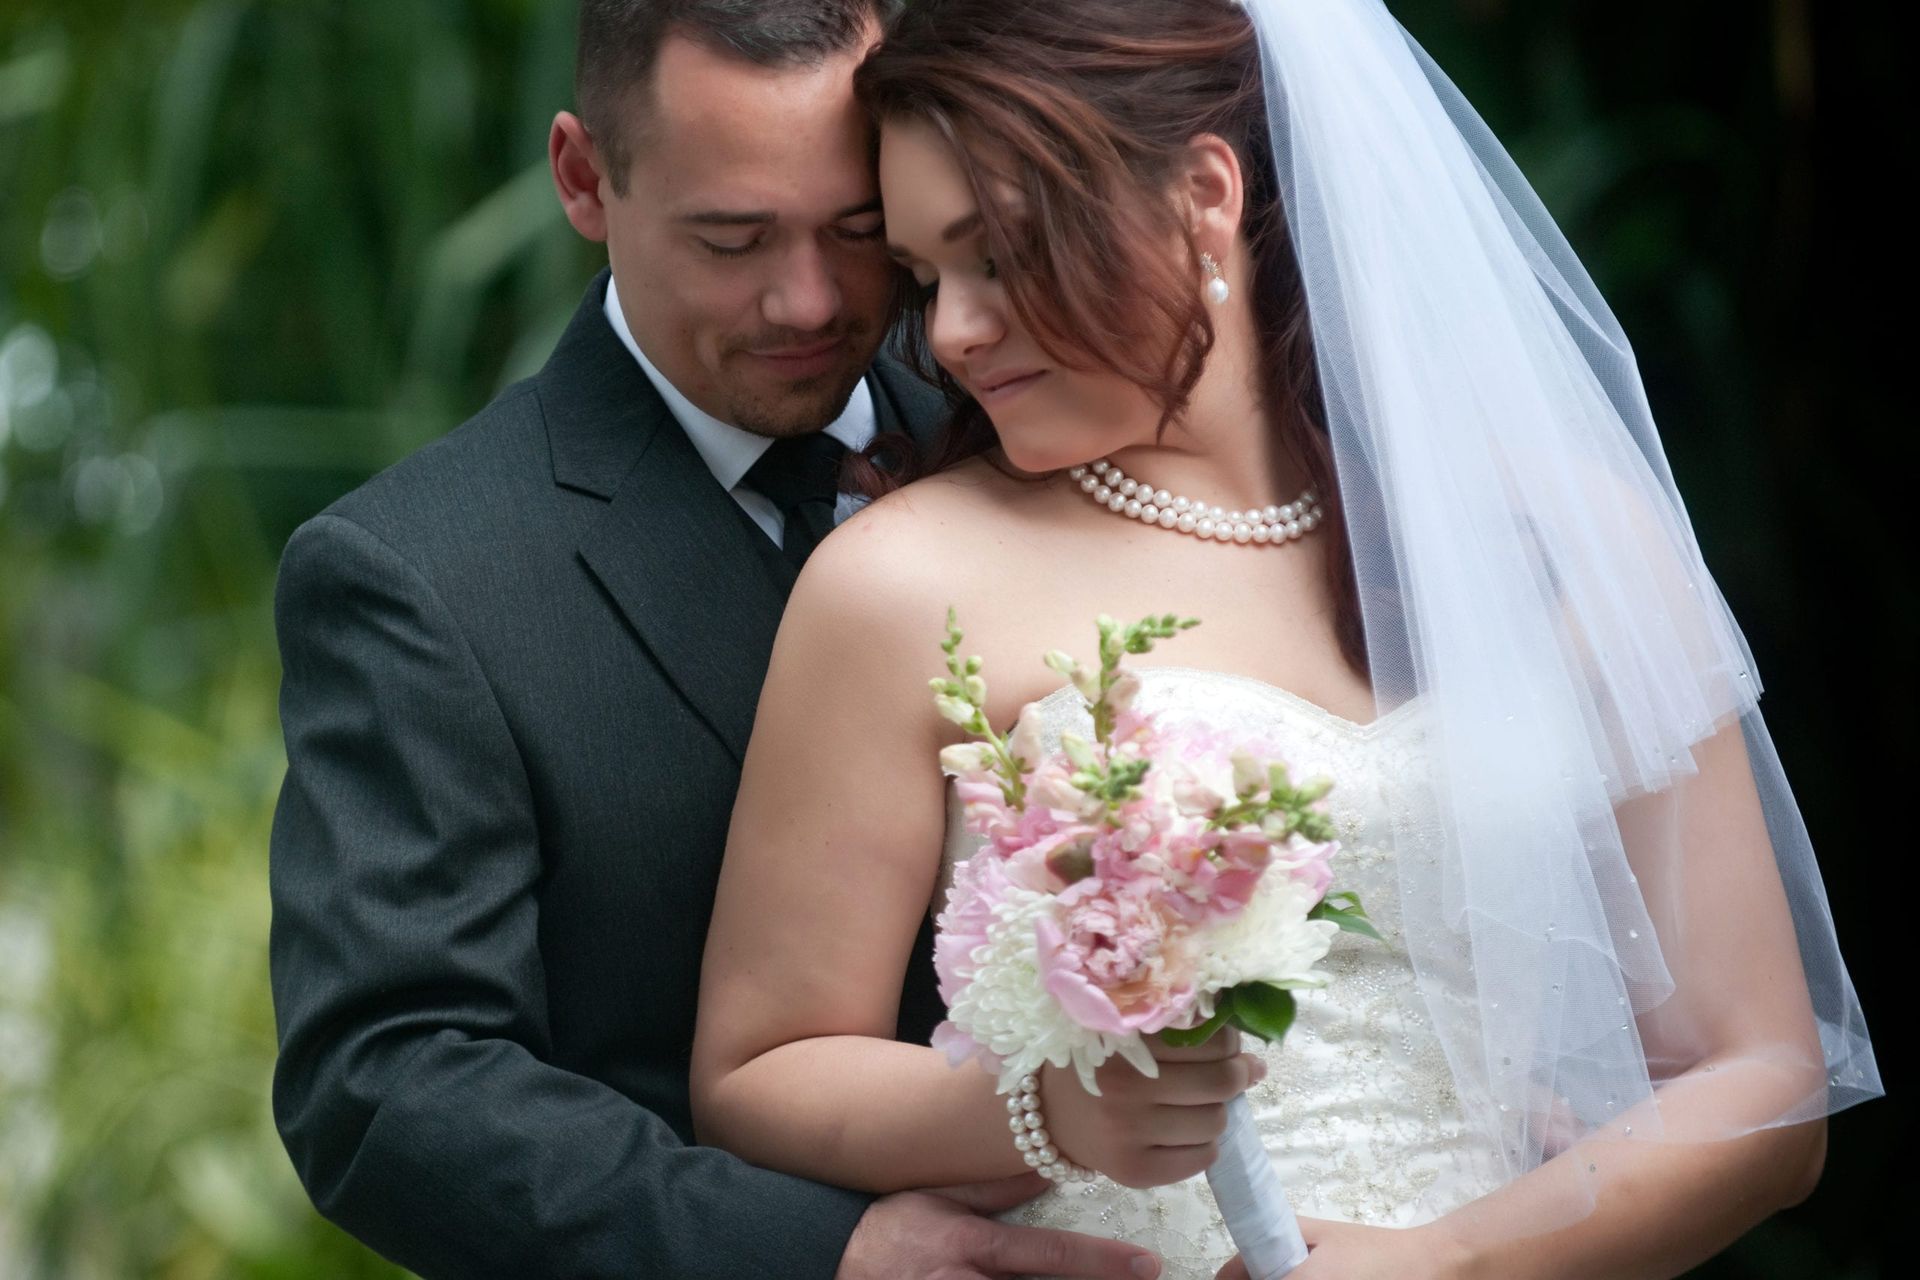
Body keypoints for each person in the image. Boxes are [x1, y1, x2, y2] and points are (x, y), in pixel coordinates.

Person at [689, 0, 1881, 1276]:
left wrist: (1454, 1261)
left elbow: (1764, 1076)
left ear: (1203, 193)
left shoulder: (1562, 537)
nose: (958, 331)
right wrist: (1047, 1111)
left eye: (1002, 253)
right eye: (929, 278)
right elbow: (758, 1071)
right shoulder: (901, 583)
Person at [268, 2, 1165, 1276]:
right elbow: (384, 1081)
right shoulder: (422, 575)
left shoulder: (1030, 417)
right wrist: (821, 1254)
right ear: (585, 177)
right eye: (731, 238)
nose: (807, 299)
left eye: (859, 230)